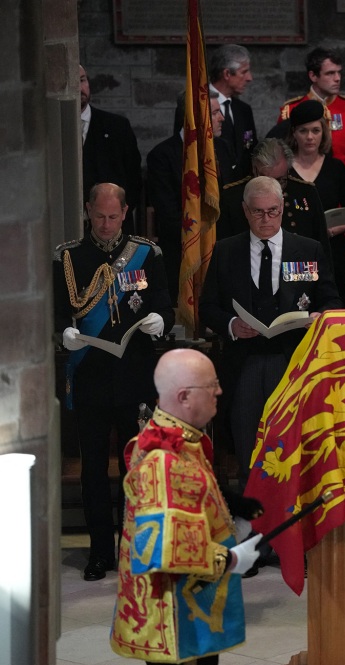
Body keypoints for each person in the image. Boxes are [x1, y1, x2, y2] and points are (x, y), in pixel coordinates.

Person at [110, 349, 264, 665]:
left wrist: (231, 504)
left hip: (190, 597)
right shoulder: (162, 460)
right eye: (212, 385)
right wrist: (234, 559)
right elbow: (165, 549)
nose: (219, 392)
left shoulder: (180, 436)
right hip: (172, 612)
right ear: (183, 396)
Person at [54, 183, 175, 581]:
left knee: (135, 468)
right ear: (88, 210)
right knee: (92, 468)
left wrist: (161, 322)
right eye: (99, 216)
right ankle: (100, 552)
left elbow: (162, 304)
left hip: (133, 375)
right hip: (88, 374)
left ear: (125, 214)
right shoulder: (68, 257)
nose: (106, 225)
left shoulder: (147, 253)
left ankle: (133, 549)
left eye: (113, 217)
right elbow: (57, 313)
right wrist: (63, 335)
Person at [199, 176, 342, 487]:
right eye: (258, 212)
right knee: (248, 442)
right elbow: (207, 307)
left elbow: (330, 299)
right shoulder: (226, 251)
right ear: (245, 211)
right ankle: (253, 517)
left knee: (291, 442)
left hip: (292, 359)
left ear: (282, 208)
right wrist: (232, 325)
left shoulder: (308, 249)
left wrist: (321, 316)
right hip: (244, 361)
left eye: (273, 211)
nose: (266, 219)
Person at [146, 90, 231, 289]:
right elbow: (168, 215)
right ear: (196, 118)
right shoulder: (162, 156)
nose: (222, 118)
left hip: (221, 249)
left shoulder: (224, 148)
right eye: (215, 113)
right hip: (182, 253)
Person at [284, 99, 345, 303]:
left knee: (331, 303)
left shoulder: (336, 168)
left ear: (323, 132)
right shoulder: (285, 170)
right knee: (298, 304)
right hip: (295, 253)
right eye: (303, 131)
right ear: (294, 134)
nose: (310, 137)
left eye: (315, 131)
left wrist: (332, 230)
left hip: (331, 251)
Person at [217, 139, 331, 257]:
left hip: (296, 270)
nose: (274, 187)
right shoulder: (232, 197)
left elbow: (322, 248)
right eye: (267, 180)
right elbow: (224, 251)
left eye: (280, 180)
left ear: (287, 170)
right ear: (255, 170)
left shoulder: (306, 192)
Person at [280, 47, 345, 189]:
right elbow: (282, 157)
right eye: (330, 73)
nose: (337, 78)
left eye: (339, 72)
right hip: (304, 190)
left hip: (344, 192)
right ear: (313, 76)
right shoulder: (291, 110)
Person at [80, 65, 142, 235]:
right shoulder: (48, 130)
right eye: (73, 82)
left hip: (115, 233)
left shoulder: (117, 127)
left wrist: (116, 217)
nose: (79, 88)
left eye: (82, 80)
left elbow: (134, 180)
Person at [209, 44, 258, 181]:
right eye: (244, 72)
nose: (249, 78)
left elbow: (249, 145)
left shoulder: (244, 110)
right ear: (227, 74)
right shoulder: (196, 104)